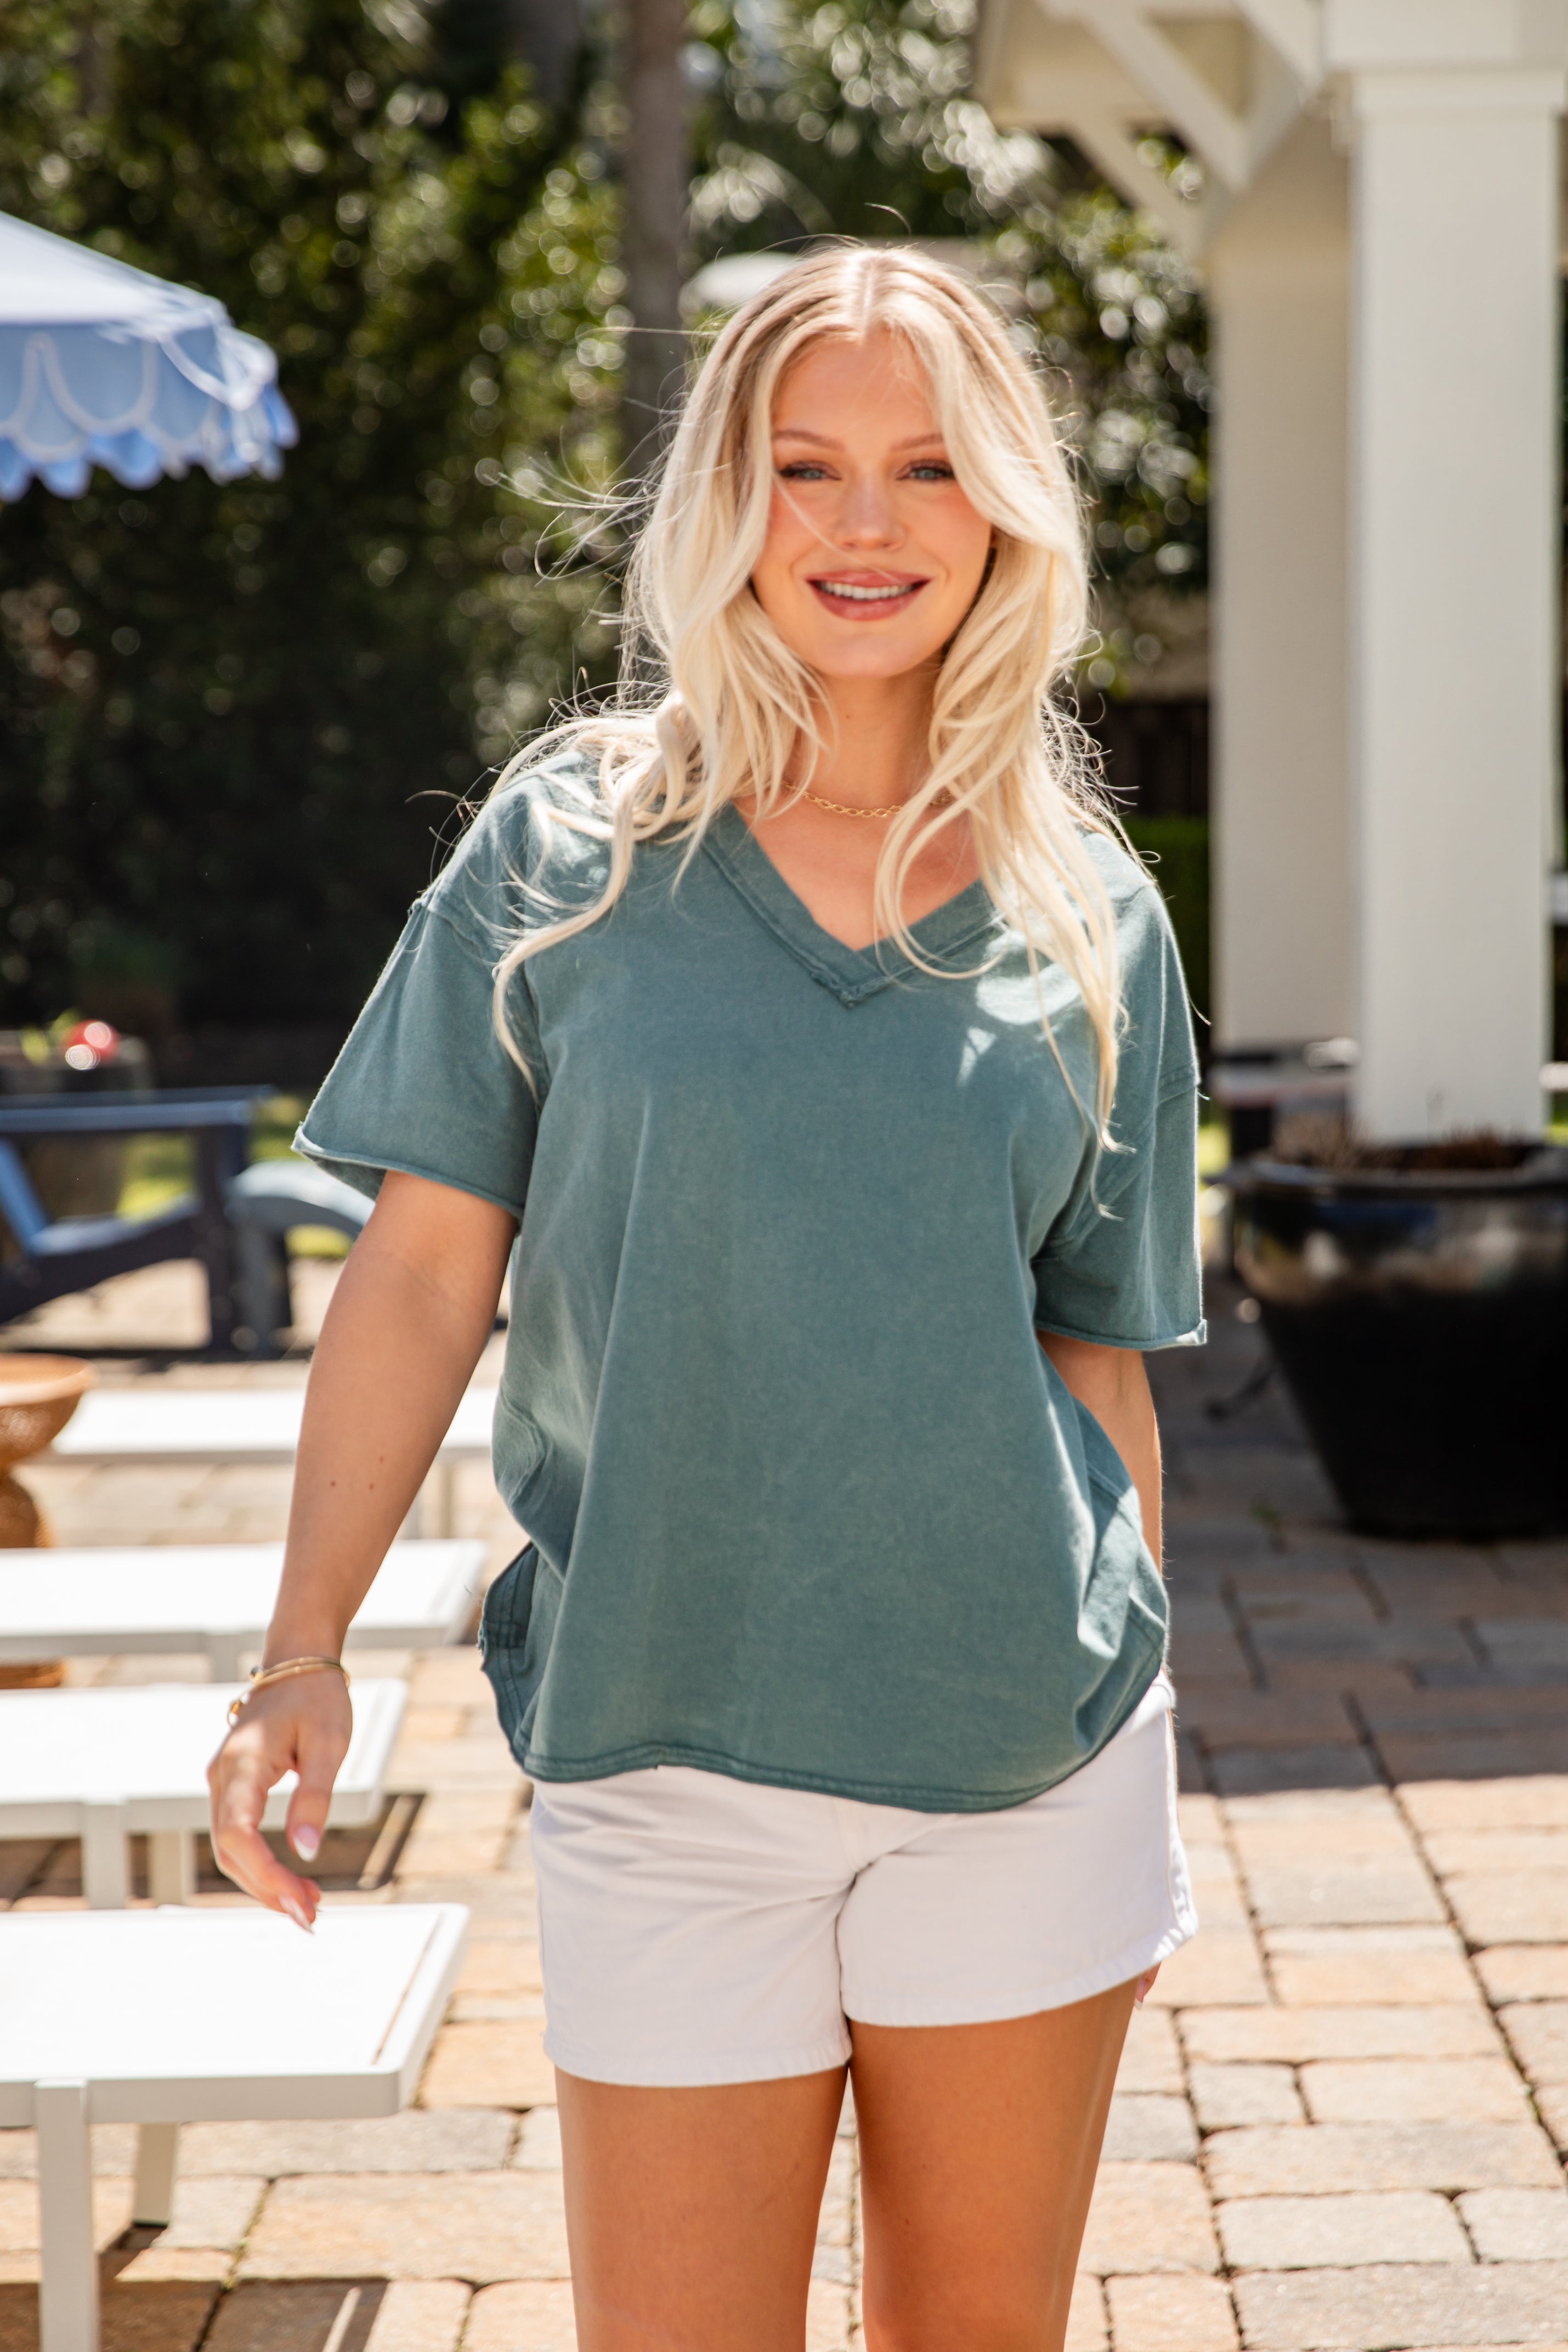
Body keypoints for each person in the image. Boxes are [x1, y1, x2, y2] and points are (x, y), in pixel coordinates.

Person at [209, 245, 1203, 2352]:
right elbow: (420, 1274)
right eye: (804, 464)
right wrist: (300, 1650)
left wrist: (1136, 1676)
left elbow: (1094, 1362)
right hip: (659, 1756)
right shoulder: (567, 847)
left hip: (1022, 1763)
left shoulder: (1090, 910)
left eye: (927, 466)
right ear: (724, 501)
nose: (864, 523)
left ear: (1005, 508)